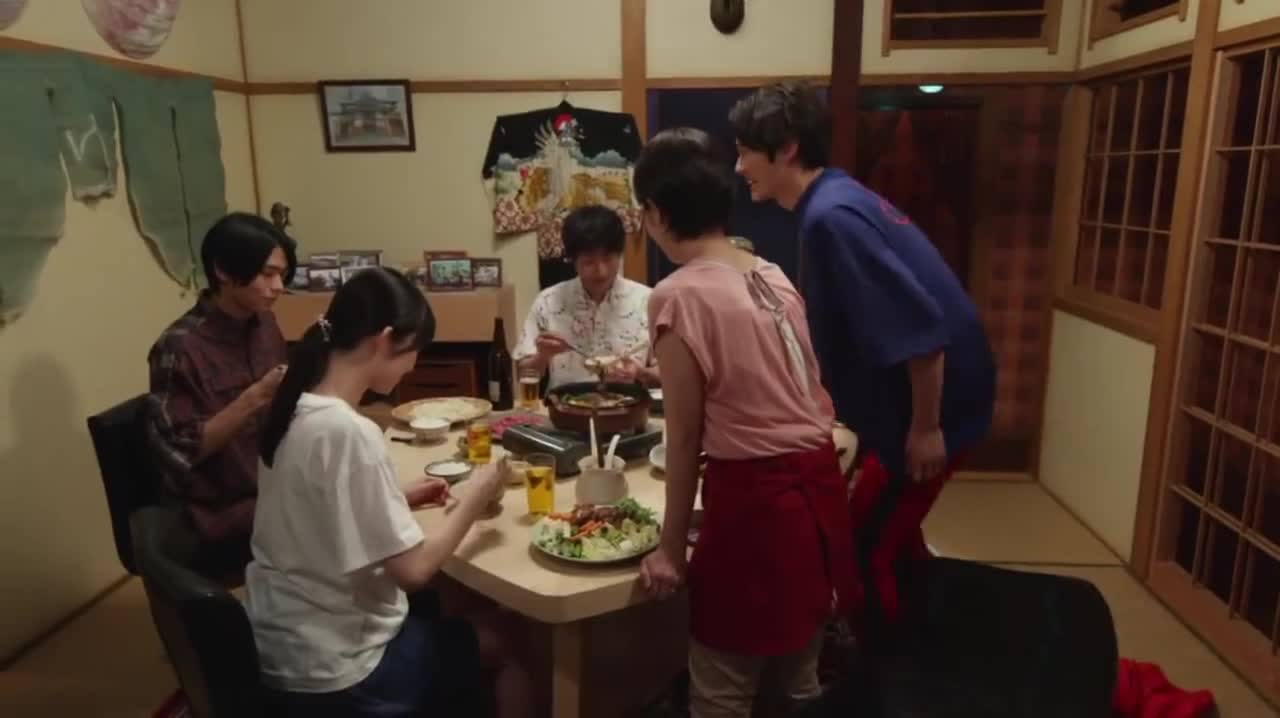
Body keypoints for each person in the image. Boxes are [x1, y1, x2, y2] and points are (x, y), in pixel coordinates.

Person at [729, 81, 997, 633]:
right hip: (924, 401)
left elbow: (921, 330)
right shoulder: (837, 195)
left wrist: (926, 429)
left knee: (859, 545)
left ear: (787, 148)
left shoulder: (831, 217)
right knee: (891, 528)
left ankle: (883, 661)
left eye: (745, 151)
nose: (738, 167)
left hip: (938, 407)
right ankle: (919, 615)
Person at [634, 128, 856, 718]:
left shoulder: (677, 295)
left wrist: (670, 551)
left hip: (758, 510)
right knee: (799, 686)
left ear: (655, 212)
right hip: (816, 502)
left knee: (721, 692)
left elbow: (683, 438)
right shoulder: (771, 274)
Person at [247, 267, 532, 717]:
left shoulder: (295, 407)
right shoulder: (349, 431)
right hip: (340, 668)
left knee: (451, 606)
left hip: (281, 643)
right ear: (384, 340)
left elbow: (319, 506)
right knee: (514, 642)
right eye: (413, 351)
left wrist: (399, 496)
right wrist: (477, 495)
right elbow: (413, 571)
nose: (412, 365)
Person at [145, 212, 296, 571]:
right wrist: (255, 398)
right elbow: (178, 452)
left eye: (282, 275)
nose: (278, 286)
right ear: (224, 272)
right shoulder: (180, 347)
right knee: (337, 529)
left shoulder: (264, 323)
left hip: (271, 487)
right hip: (219, 511)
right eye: (267, 274)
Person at [513, 204, 658, 388]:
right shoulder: (548, 301)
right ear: (572, 260)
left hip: (628, 403)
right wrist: (542, 356)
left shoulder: (647, 300)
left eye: (608, 259)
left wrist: (639, 373)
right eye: (589, 262)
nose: (601, 271)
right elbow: (521, 373)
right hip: (564, 403)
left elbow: (668, 373)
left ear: (619, 254)